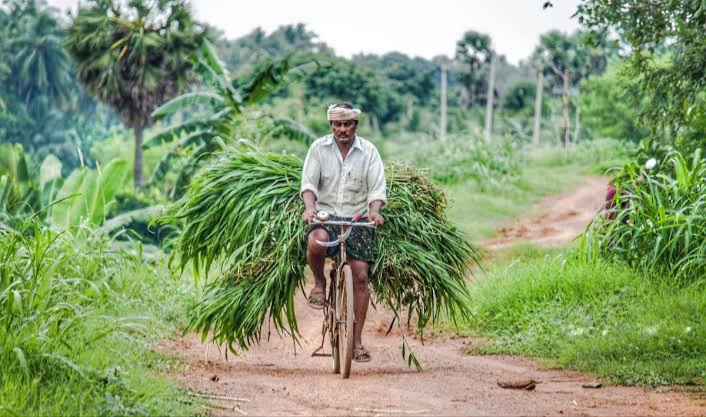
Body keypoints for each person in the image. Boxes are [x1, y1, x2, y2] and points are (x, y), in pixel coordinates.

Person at [300, 103, 386, 363]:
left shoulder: (369, 152)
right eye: (337, 125)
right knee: (316, 241)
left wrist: (375, 211)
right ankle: (319, 283)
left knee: (360, 275)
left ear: (355, 126)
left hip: (356, 218)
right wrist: (310, 209)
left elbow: (376, 189)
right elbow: (308, 185)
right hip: (326, 215)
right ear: (331, 126)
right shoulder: (318, 148)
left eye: (347, 124)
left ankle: (356, 342)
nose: (342, 129)